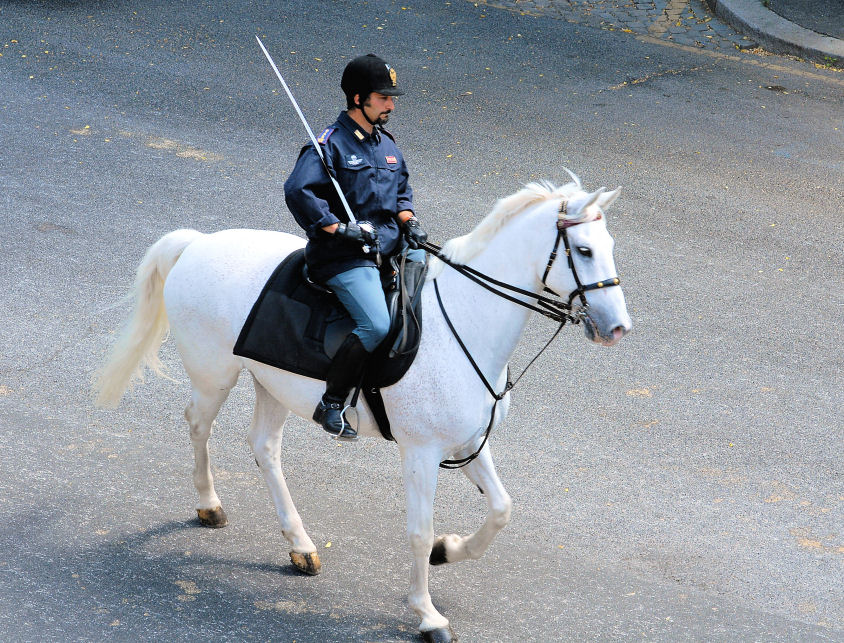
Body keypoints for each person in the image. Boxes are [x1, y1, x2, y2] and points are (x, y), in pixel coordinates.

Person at [284, 53, 427, 439]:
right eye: (384, 97)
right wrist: (336, 228)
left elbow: (401, 193)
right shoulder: (328, 145)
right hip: (345, 257)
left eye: (391, 98)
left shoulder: (387, 146)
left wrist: (409, 222)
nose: (392, 105)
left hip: (389, 247)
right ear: (359, 98)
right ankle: (331, 402)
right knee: (376, 323)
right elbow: (299, 190)